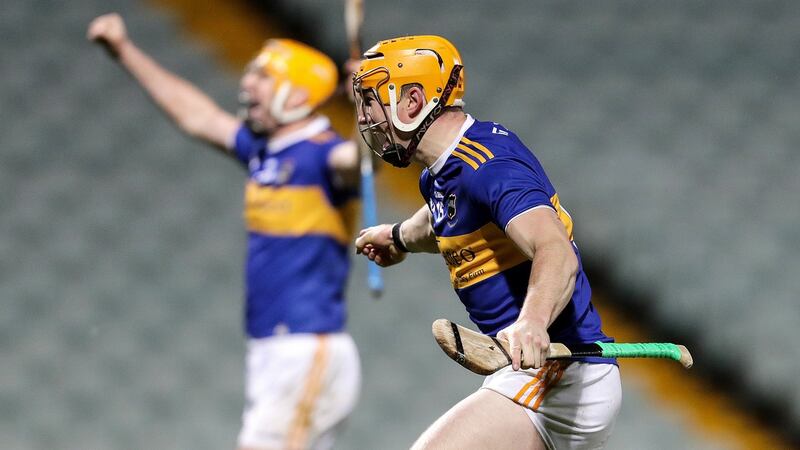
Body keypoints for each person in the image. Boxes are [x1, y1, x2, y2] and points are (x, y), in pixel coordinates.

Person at [88, 13, 361, 450]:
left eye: (264, 77)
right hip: (273, 350)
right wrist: (125, 50)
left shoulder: (324, 155)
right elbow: (197, 115)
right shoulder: (265, 152)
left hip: (304, 347)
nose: (248, 84)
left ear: (296, 93)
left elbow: (361, 162)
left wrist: (370, 110)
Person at [352, 35, 622, 450]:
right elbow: (445, 217)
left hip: (561, 374)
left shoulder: (489, 168)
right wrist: (398, 238)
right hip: (533, 373)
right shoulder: (445, 171)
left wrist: (532, 321)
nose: (367, 117)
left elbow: (555, 251)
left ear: (412, 101)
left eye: (373, 100)